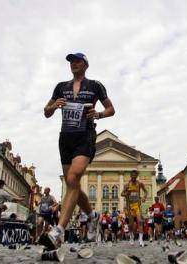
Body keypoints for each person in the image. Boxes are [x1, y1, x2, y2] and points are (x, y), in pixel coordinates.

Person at [43, 52, 115, 249]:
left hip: (85, 135)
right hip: (65, 137)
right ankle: (92, 216)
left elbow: (111, 109)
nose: (73, 64)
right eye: (71, 62)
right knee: (72, 184)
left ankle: (58, 231)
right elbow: (46, 112)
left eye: (77, 61)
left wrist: (98, 114)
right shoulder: (61, 87)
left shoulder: (95, 86)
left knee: (73, 178)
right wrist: (53, 106)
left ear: (85, 64)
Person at [121, 170, 148, 247]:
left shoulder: (139, 184)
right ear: (130, 176)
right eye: (132, 176)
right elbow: (122, 193)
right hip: (130, 206)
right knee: (131, 224)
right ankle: (131, 237)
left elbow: (145, 191)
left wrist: (144, 197)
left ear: (136, 176)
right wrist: (127, 193)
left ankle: (140, 240)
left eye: (135, 176)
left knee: (140, 222)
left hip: (137, 205)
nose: (133, 177)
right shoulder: (127, 185)